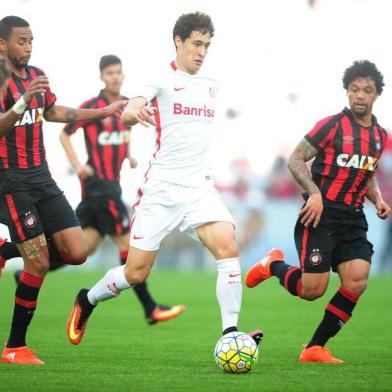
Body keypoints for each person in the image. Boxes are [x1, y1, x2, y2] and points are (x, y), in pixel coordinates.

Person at [66, 11, 262, 347]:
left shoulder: (213, 83)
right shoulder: (159, 79)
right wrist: (131, 113)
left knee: (228, 247)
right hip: (162, 189)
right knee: (135, 273)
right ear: (178, 42)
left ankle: (230, 333)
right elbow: (131, 108)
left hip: (199, 186)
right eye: (196, 44)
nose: (202, 51)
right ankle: (88, 299)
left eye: (207, 45)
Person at [0, 15, 126, 365]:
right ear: (2, 45)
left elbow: (55, 112)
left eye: (30, 41)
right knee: (38, 262)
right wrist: (23, 102)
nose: (27, 47)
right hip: (11, 181)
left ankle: (6, 250)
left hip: (42, 178)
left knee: (76, 251)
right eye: (20, 41)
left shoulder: (35, 76)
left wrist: (104, 110)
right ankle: (14, 348)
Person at [245, 60, 391, 364]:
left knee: (358, 280)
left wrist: (376, 199)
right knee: (312, 290)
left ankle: (314, 348)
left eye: (367, 90)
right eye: (354, 89)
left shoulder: (380, 135)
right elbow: (296, 159)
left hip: (353, 218)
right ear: (347, 92)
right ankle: (273, 264)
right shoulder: (332, 125)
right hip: (320, 215)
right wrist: (314, 194)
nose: (360, 95)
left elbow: (368, 171)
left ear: (377, 93)